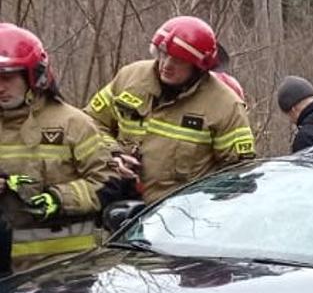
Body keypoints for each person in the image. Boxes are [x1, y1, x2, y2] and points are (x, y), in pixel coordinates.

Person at [86, 16, 255, 202]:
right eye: (163, 54)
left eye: (178, 61)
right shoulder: (130, 78)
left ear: (199, 67)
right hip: (121, 209)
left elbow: (239, 174)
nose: (166, 65)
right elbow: (90, 123)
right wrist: (113, 154)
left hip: (183, 219)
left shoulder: (225, 106)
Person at [0, 23, 117, 274]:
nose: (0, 87)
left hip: (61, 271)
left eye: (7, 77)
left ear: (34, 75)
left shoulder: (73, 124)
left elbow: (108, 182)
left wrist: (58, 198)